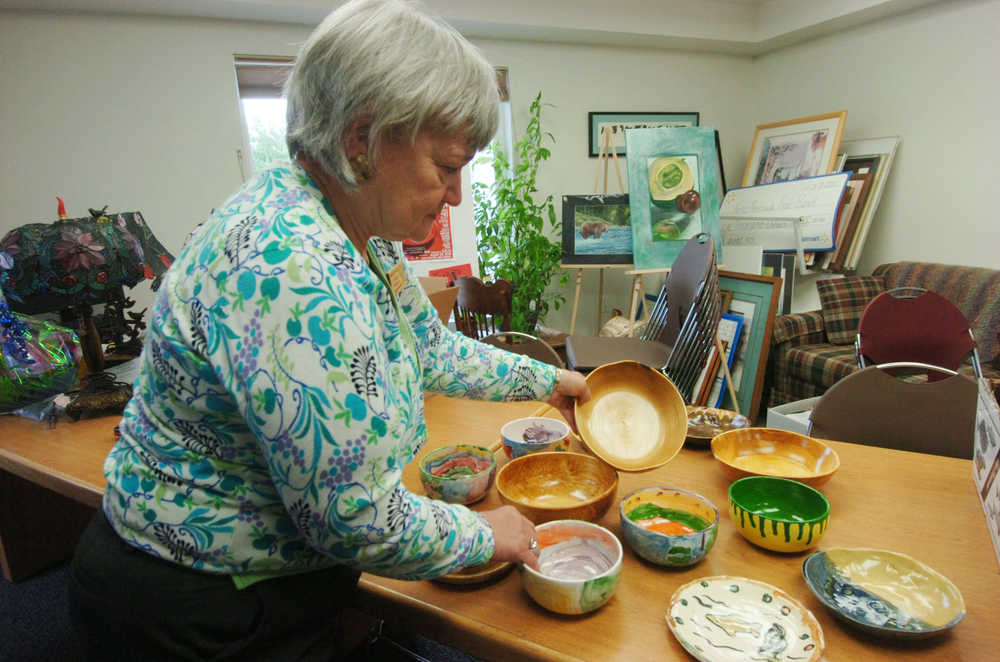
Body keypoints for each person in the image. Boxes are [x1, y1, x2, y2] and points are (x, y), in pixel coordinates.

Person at [67, 0, 590, 659]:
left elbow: (429, 348)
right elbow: (356, 521)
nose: (458, 194)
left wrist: (551, 377)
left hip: (268, 580)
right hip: (203, 604)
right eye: (448, 165)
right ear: (361, 142)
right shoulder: (292, 270)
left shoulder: (362, 229)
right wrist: (489, 535)